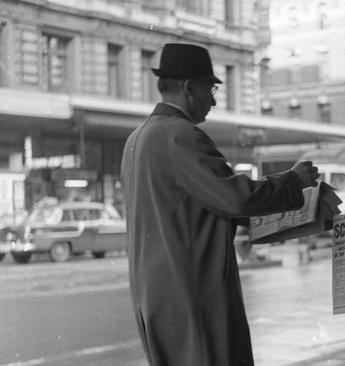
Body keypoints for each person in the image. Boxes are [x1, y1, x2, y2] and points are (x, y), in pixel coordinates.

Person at [120, 43, 319, 366]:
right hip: (193, 292)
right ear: (189, 87)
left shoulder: (136, 140)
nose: (213, 99)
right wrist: (294, 181)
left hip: (154, 296)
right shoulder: (180, 135)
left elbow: (191, 208)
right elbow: (235, 197)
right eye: (210, 88)